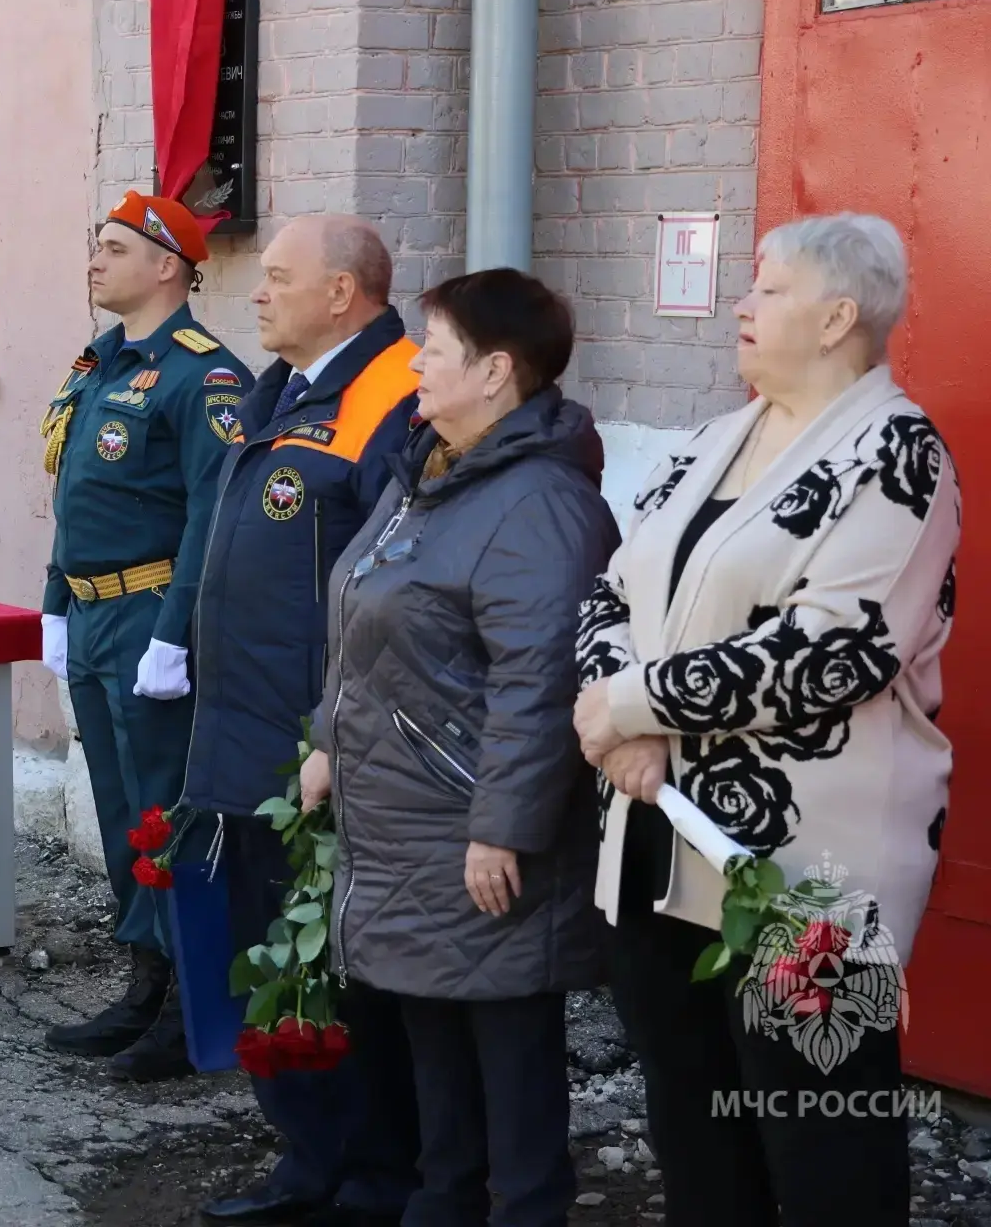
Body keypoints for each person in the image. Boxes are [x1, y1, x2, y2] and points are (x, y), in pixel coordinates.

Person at [573, 212, 959, 1225]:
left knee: (825, 1142)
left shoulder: (897, 452)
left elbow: (836, 650)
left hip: (809, 877)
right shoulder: (716, 437)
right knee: (695, 1133)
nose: (741, 306)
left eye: (769, 288)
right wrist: (621, 718)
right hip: (655, 841)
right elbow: (611, 592)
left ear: (837, 318)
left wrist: (630, 705)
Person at [301, 268, 619, 1227]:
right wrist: (326, 743)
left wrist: (502, 828)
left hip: (475, 831)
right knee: (434, 1044)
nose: (415, 367)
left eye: (432, 350)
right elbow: (365, 626)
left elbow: (541, 681)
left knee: (509, 1057)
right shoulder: (431, 476)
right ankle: (441, 1206)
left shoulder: (539, 504)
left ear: (495, 372)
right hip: (408, 818)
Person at [185, 214, 423, 1226]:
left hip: (319, 738)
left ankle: (375, 1173)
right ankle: (310, 1155)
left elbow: (395, 589)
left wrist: (334, 730)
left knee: (341, 966)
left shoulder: (396, 395)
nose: (257, 292)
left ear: (341, 293)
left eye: (279, 277)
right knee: (275, 950)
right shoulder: (279, 387)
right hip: (247, 726)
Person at [38, 191, 252, 1082]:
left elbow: (213, 515)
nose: (96, 259)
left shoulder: (204, 377)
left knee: (166, 811)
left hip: (150, 614)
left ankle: (190, 1005)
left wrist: (176, 633)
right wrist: (54, 599)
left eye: (116, 247)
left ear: (169, 266)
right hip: (93, 611)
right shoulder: (99, 364)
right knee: (122, 808)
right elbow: (76, 496)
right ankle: (144, 982)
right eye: (97, 244)